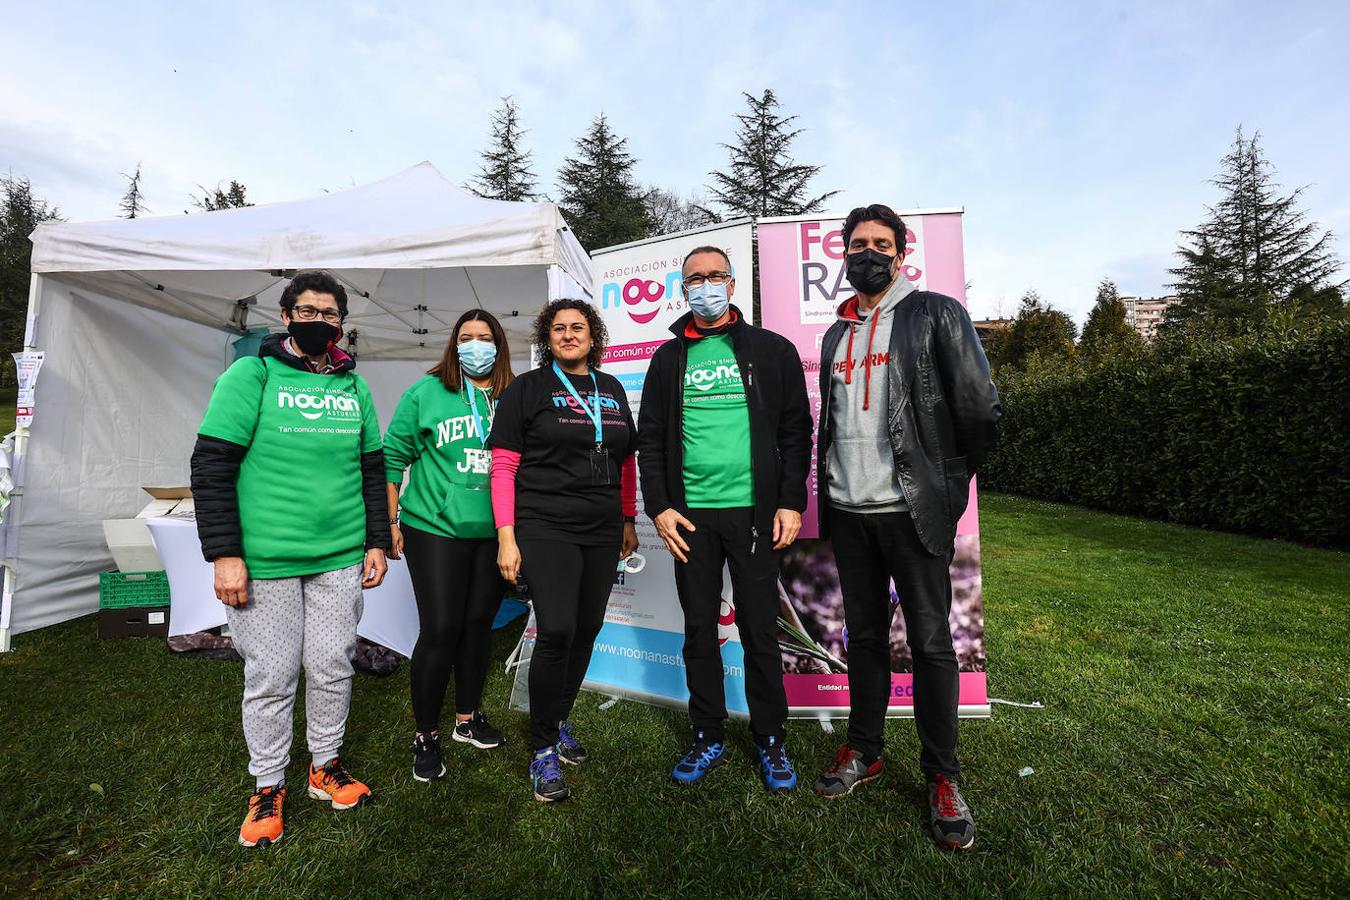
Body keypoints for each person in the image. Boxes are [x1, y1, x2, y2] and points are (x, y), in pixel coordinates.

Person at [809, 205, 1000, 851]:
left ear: (901, 251)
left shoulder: (936, 313)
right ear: (844, 252)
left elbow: (979, 407)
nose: (869, 253)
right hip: (850, 512)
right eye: (858, 244)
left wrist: (945, 483)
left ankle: (942, 776)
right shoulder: (835, 335)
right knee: (862, 639)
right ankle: (866, 749)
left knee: (930, 644)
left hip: (913, 512)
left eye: (881, 244)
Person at [190, 271, 391, 849]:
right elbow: (211, 466)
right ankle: (268, 782)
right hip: (267, 559)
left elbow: (372, 467)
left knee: (333, 664)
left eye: (329, 314)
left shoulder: (355, 387)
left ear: (342, 323)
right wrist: (225, 554)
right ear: (285, 317)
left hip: (339, 555)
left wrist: (376, 539)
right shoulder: (252, 373)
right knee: (273, 674)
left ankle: (324, 766)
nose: (319, 321)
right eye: (307, 311)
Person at [637, 246, 813, 793]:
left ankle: (770, 739)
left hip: (757, 517)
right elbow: (651, 442)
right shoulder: (668, 359)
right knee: (698, 630)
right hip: (691, 519)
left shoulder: (771, 350)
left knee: (760, 630)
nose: (705, 285)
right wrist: (660, 507)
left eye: (715, 276)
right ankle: (707, 732)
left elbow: (795, 430)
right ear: (682, 288)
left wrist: (790, 500)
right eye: (695, 278)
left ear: (732, 285)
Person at [487, 298, 639, 803]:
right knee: (556, 630)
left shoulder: (612, 389)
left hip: (600, 529)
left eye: (578, 327)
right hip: (543, 524)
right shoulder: (526, 391)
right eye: (559, 328)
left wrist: (626, 518)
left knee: (586, 628)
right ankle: (542, 749)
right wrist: (507, 537)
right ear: (546, 338)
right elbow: (504, 468)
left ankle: (556, 720)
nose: (569, 335)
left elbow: (623, 461)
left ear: (593, 336)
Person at [384, 310, 514, 783]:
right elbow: (392, 456)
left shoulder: (511, 394)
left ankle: (466, 719)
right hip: (433, 527)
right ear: (453, 344)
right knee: (441, 628)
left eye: (484, 338)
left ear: (499, 345)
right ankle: (426, 734)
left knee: (478, 625)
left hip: (494, 533)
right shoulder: (426, 391)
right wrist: (389, 521)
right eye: (466, 337)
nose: (475, 345)